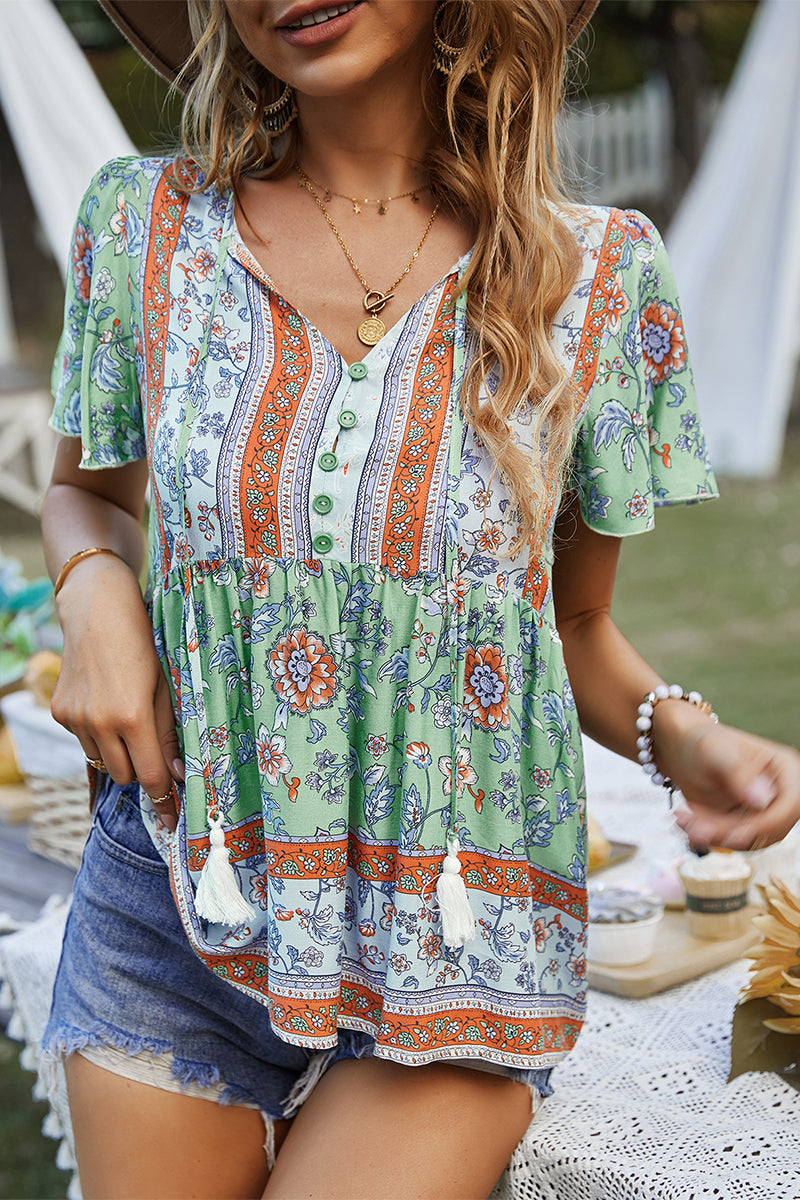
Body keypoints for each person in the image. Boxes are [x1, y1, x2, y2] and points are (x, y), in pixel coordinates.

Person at [41, 2, 800, 1198]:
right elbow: (87, 495)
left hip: (459, 931)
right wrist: (96, 605)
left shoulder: (595, 275)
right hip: (177, 899)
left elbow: (570, 626)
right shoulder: (144, 228)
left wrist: (682, 735)